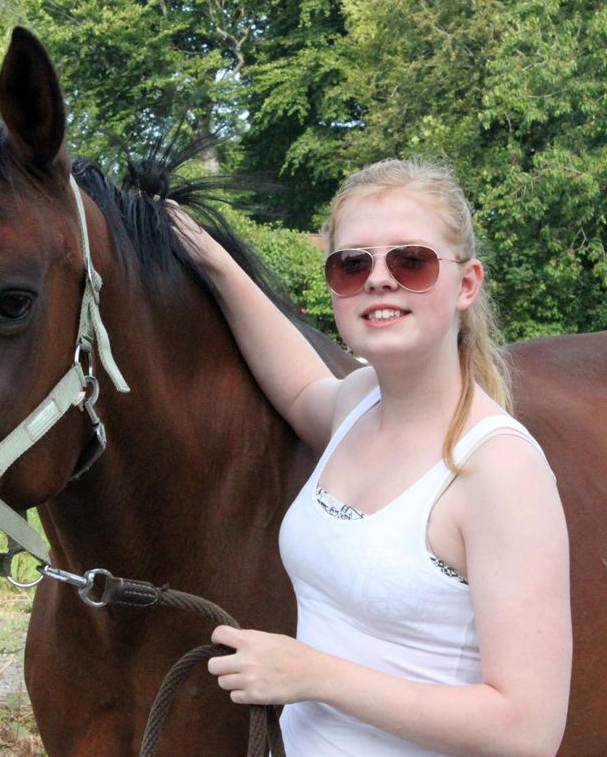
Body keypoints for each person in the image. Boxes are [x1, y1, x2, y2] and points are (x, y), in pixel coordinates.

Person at [168, 158, 571, 757]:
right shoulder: (357, 404)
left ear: (466, 284)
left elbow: (527, 730)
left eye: (411, 262)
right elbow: (301, 387)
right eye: (352, 264)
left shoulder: (499, 471)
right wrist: (212, 261)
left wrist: (313, 675)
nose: (379, 280)